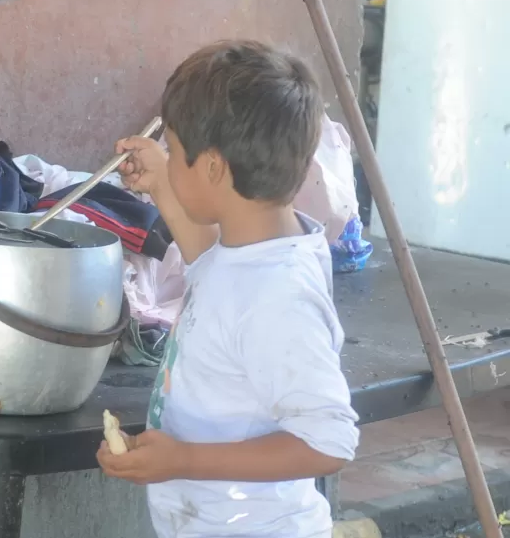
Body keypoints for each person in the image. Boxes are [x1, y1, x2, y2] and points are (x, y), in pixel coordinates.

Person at [99, 40, 359, 538]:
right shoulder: (255, 246)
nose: (169, 159)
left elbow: (330, 442)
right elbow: (212, 267)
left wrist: (185, 460)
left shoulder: (278, 297)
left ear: (214, 167)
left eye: (175, 150)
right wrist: (162, 183)